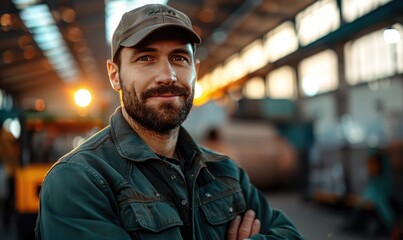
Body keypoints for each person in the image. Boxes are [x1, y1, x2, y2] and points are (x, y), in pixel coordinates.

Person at [35, 4, 304, 240]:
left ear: (195, 71)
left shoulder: (226, 174)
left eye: (179, 58)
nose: (168, 75)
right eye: (146, 58)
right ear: (115, 75)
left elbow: (289, 235)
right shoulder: (79, 180)